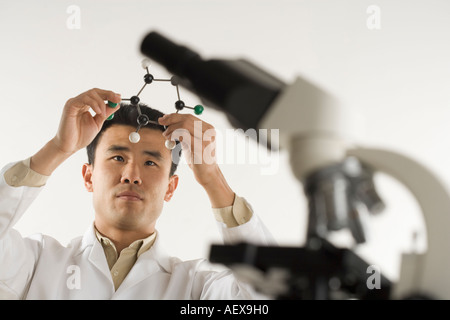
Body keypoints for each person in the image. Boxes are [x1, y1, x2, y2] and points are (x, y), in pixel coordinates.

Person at [0, 88, 275, 299]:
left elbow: (268, 294)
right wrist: (58, 148)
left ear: (170, 188)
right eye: (118, 158)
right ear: (88, 176)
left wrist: (212, 178)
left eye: (150, 162)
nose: (131, 174)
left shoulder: (196, 288)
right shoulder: (36, 262)